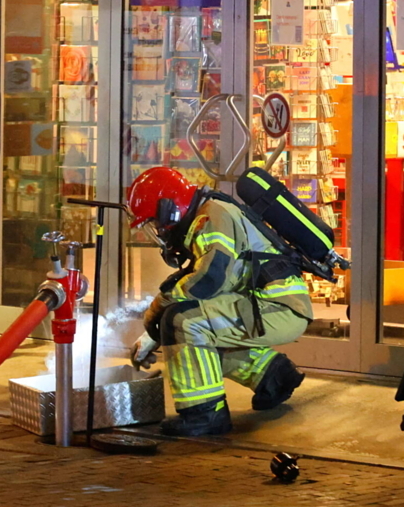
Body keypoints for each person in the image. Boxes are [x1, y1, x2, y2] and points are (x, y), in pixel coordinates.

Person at [127, 167, 313, 436]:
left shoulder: (212, 217)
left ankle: (205, 414)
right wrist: (155, 332)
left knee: (183, 322)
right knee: (183, 328)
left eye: (155, 221)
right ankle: (271, 375)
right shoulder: (207, 214)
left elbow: (209, 280)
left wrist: (157, 311)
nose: (158, 228)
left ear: (169, 207)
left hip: (277, 308)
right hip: (267, 305)